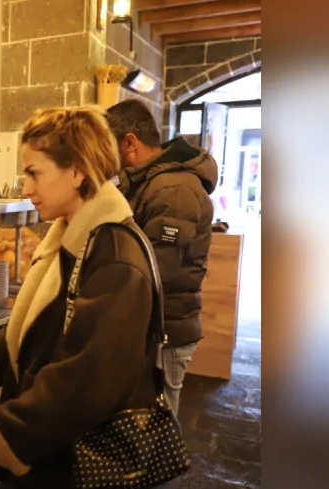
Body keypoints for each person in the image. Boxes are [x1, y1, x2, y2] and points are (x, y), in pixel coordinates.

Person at [0, 106, 161, 488]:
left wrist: (2, 427)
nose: (26, 187)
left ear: (78, 171)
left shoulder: (115, 257)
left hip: (78, 467)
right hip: (52, 458)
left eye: (34, 173)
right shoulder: (73, 237)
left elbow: (84, 380)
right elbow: (38, 335)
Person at [107, 99, 218, 415]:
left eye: (107, 146)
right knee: (145, 419)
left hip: (166, 327)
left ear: (129, 142)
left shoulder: (173, 188)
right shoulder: (151, 181)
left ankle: (163, 467)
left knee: (160, 424)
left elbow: (158, 268)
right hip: (154, 323)